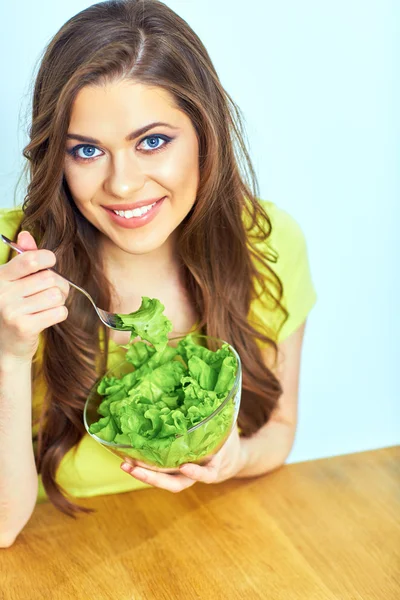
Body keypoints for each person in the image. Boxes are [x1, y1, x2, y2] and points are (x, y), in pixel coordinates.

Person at [0, 0, 316, 547]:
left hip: (223, 538)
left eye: (152, 141)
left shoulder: (266, 243)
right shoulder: (15, 270)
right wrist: (8, 351)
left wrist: (234, 458)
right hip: (70, 555)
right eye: (87, 150)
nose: (122, 185)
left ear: (205, 134)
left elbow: (280, 432)